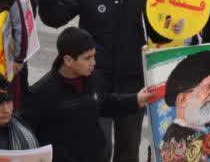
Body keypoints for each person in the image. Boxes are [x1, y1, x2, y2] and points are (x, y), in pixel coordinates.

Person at [37, 0, 152, 162]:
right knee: (97, 149)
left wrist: (174, 26)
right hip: (94, 83)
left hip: (133, 82)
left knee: (129, 150)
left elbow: (160, 33)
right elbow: (54, 18)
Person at [20, 27, 153, 162]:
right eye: (87, 58)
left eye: (94, 56)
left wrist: (136, 100)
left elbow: (103, 103)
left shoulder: (93, 78)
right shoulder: (42, 93)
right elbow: (25, 135)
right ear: (68, 60)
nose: (93, 62)